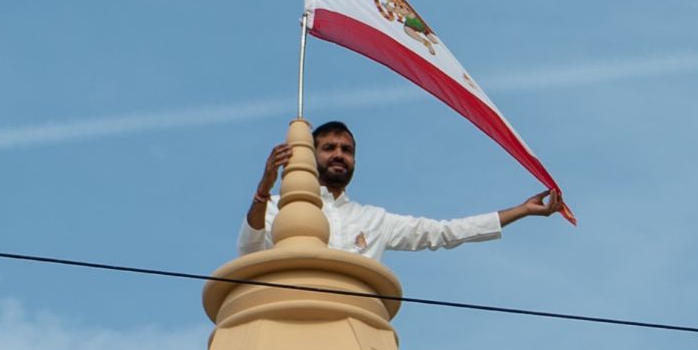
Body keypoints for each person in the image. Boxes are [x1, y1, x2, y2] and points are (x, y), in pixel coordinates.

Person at [238, 121, 562, 261]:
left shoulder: (373, 219)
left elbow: (444, 233)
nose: (339, 155)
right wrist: (264, 188)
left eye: (347, 150)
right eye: (329, 148)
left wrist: (520, 211)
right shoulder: (278, 206)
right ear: (310, 154)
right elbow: (249, 252)